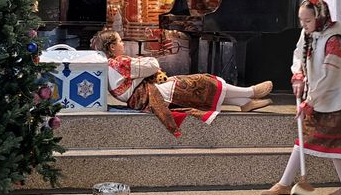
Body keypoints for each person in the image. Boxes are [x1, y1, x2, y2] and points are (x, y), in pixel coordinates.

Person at [260, 0, 341, 195]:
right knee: (304, 138)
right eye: (301, 20)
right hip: (319, 97)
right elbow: (298, 54)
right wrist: (298, 75)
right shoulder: (308, 32)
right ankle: (284, 183)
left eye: (307, 20)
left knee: (336, 146)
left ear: (320, 16)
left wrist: (310, 101)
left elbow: (329, 76)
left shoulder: (336, 39)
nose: (304, 25)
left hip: (338, 101)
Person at [90, 29, 273, 136]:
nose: (123, 44)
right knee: (200, 82)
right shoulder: (119, 62)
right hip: (150, 95)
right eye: (120, 41)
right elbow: (153, 65)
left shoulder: (108, 64)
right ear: (112, 47)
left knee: (196, 84)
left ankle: (244, 102)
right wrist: (146, 62)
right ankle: (250, 92)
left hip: (144, 96)